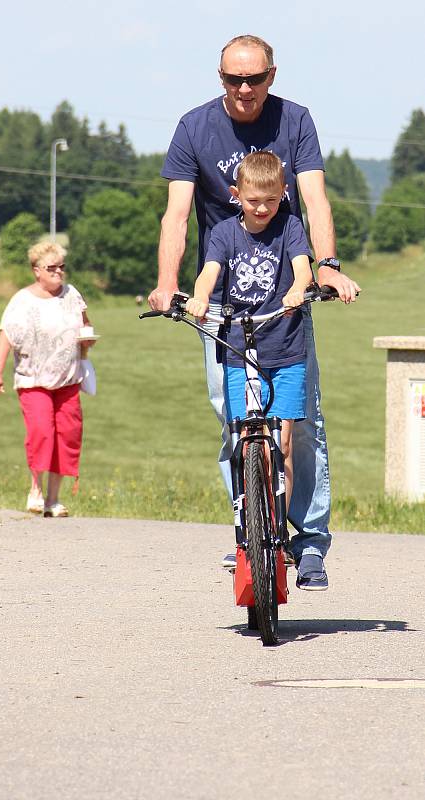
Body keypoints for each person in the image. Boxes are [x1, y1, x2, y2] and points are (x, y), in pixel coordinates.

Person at [148, 34, 360, 589]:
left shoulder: (295, 121)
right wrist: (169, 284)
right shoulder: (194, 128)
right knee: (234, 423)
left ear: (272, 75)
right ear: (219, 78)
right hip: (221, 303)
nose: (244, 89)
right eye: (232, 79)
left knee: (301, 424)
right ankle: (249, 529)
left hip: (284, 301)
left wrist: (328, 264)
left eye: (255, 78)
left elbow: (314, 199)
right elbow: (176, 214)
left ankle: (310, 542)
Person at [187, 151, 314, 542]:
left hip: (286, 348)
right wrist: (199, 297)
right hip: (239, 351)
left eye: (271, 200)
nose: (262, 208)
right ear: (236, 194)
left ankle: (277, 532)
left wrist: (297, 290)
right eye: (253, 200)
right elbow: (209, 272)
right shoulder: (224, 233)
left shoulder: (290, 227)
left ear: (283, 194)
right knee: (244, 441)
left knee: (284, 441)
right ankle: (248, 529)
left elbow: (302, 268)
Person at [0, 241, 95, 518]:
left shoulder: (72, 294)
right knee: (41, 432)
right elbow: (6, 338)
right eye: (51, 268)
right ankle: (35, 488)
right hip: (33, 379)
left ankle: (53, 499)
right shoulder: (22, 301)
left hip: (67, 379)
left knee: (67, 435)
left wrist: (87, 339)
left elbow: (85, 322)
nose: (58, 272)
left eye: (62, 267)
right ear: (36, 271)